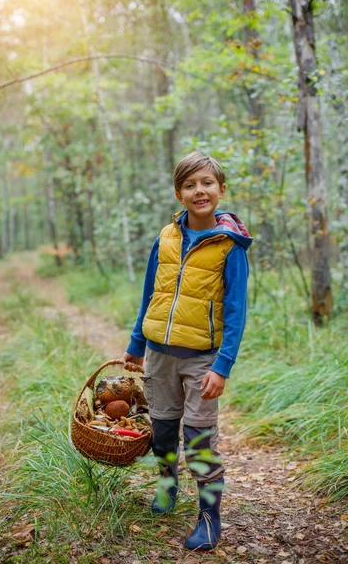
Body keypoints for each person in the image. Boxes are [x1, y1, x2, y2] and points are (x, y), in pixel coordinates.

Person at [123, 150, 252, 551]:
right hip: (159, 353)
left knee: (198, 439)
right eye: (190, 185)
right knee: (162, 432)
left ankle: (210, 517)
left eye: (207, 183)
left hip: (201, 358)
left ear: (221, 190)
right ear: (179, 194)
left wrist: (223, 365)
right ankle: (166, 486)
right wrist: (136, 343)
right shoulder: (166, 238)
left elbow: (236, 311)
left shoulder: (230, 247)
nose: (200, 191)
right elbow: (151, 293)